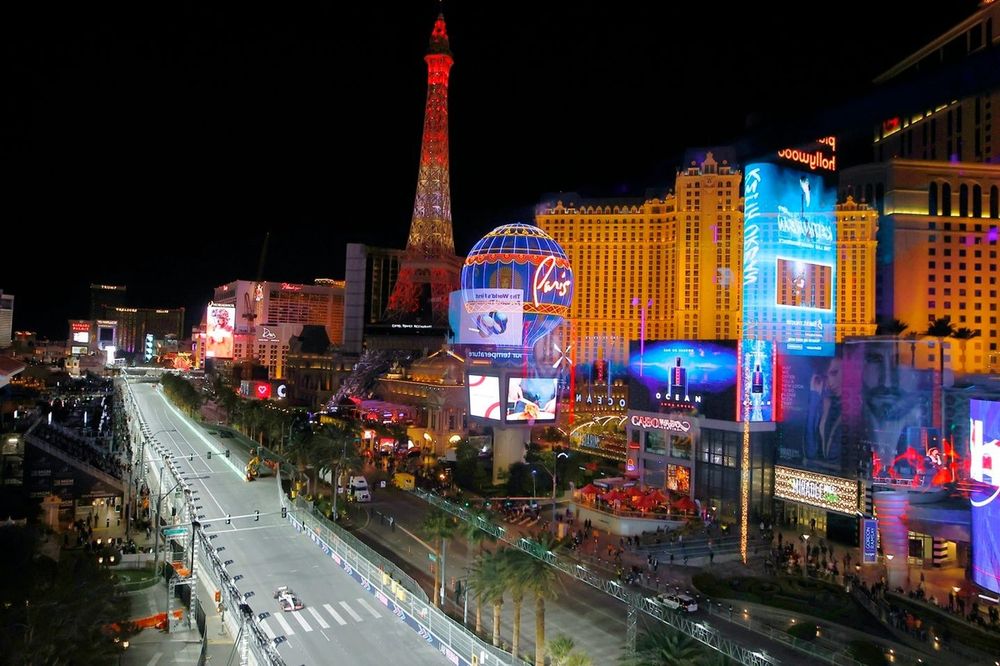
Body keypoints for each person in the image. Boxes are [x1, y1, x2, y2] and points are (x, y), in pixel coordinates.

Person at [804, 355, 843, 470]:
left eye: (835, 373)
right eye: (826, 377)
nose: (830, 382)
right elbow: (810, 452)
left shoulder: (859, 409)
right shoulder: (827, 406)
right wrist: (814, 397)